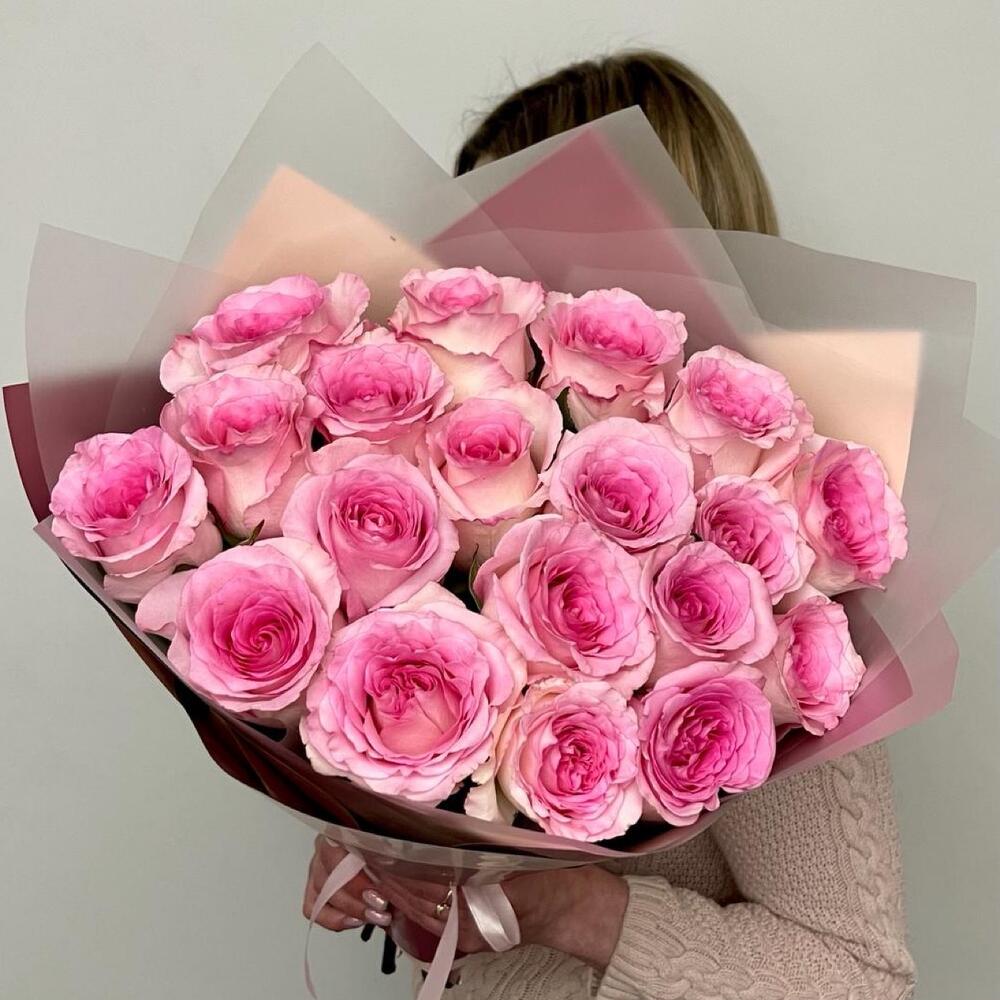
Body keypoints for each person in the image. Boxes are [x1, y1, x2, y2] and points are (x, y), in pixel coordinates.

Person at [303, 51, 917, 1000]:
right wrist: (380, 852)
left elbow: (861, 980)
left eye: (502, 235)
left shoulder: (778, 585)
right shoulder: (472, 513)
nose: (472, 281)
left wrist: (575, 909)